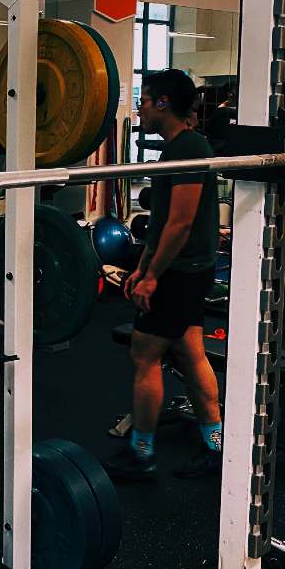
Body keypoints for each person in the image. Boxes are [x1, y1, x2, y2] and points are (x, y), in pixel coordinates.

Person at [107, 69, 223, 481]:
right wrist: (142, 265)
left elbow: (180, 223)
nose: (139, 108)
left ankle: (142, 453)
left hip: (181, 272)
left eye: (145, 100)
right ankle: (216, 448)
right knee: (191, 354)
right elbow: (161, 223)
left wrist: (153, 275)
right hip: (182, 269)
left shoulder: (189, 147)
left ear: (162, 104)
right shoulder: (176, 149)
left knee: (145, 354)